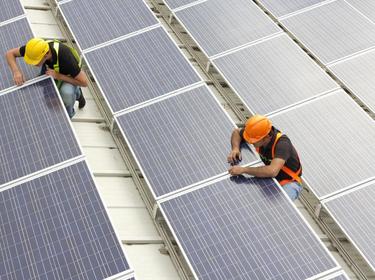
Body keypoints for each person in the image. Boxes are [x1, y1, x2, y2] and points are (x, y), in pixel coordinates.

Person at [6, 38, 88, 118]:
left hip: (70, 75)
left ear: (47, 54)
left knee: (67, 92)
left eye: (36, 61)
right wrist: (16, 71)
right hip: (52, 69)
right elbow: (9, 54)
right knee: (46, 91)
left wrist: (59, 76)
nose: (33, 64)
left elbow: (84, 82)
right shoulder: (36, 49)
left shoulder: (66, 58)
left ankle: (70, 112)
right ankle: (76, 92)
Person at [228, 115, 303, 200]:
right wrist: (235, 148)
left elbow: (272, 171)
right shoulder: (257, 133)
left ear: (266, 137)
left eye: (253, 141)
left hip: (288, 182)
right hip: (269, 178)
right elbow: (236, 132)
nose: (250, 142)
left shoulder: (282, 144)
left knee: (279, 208)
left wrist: (243, 170)